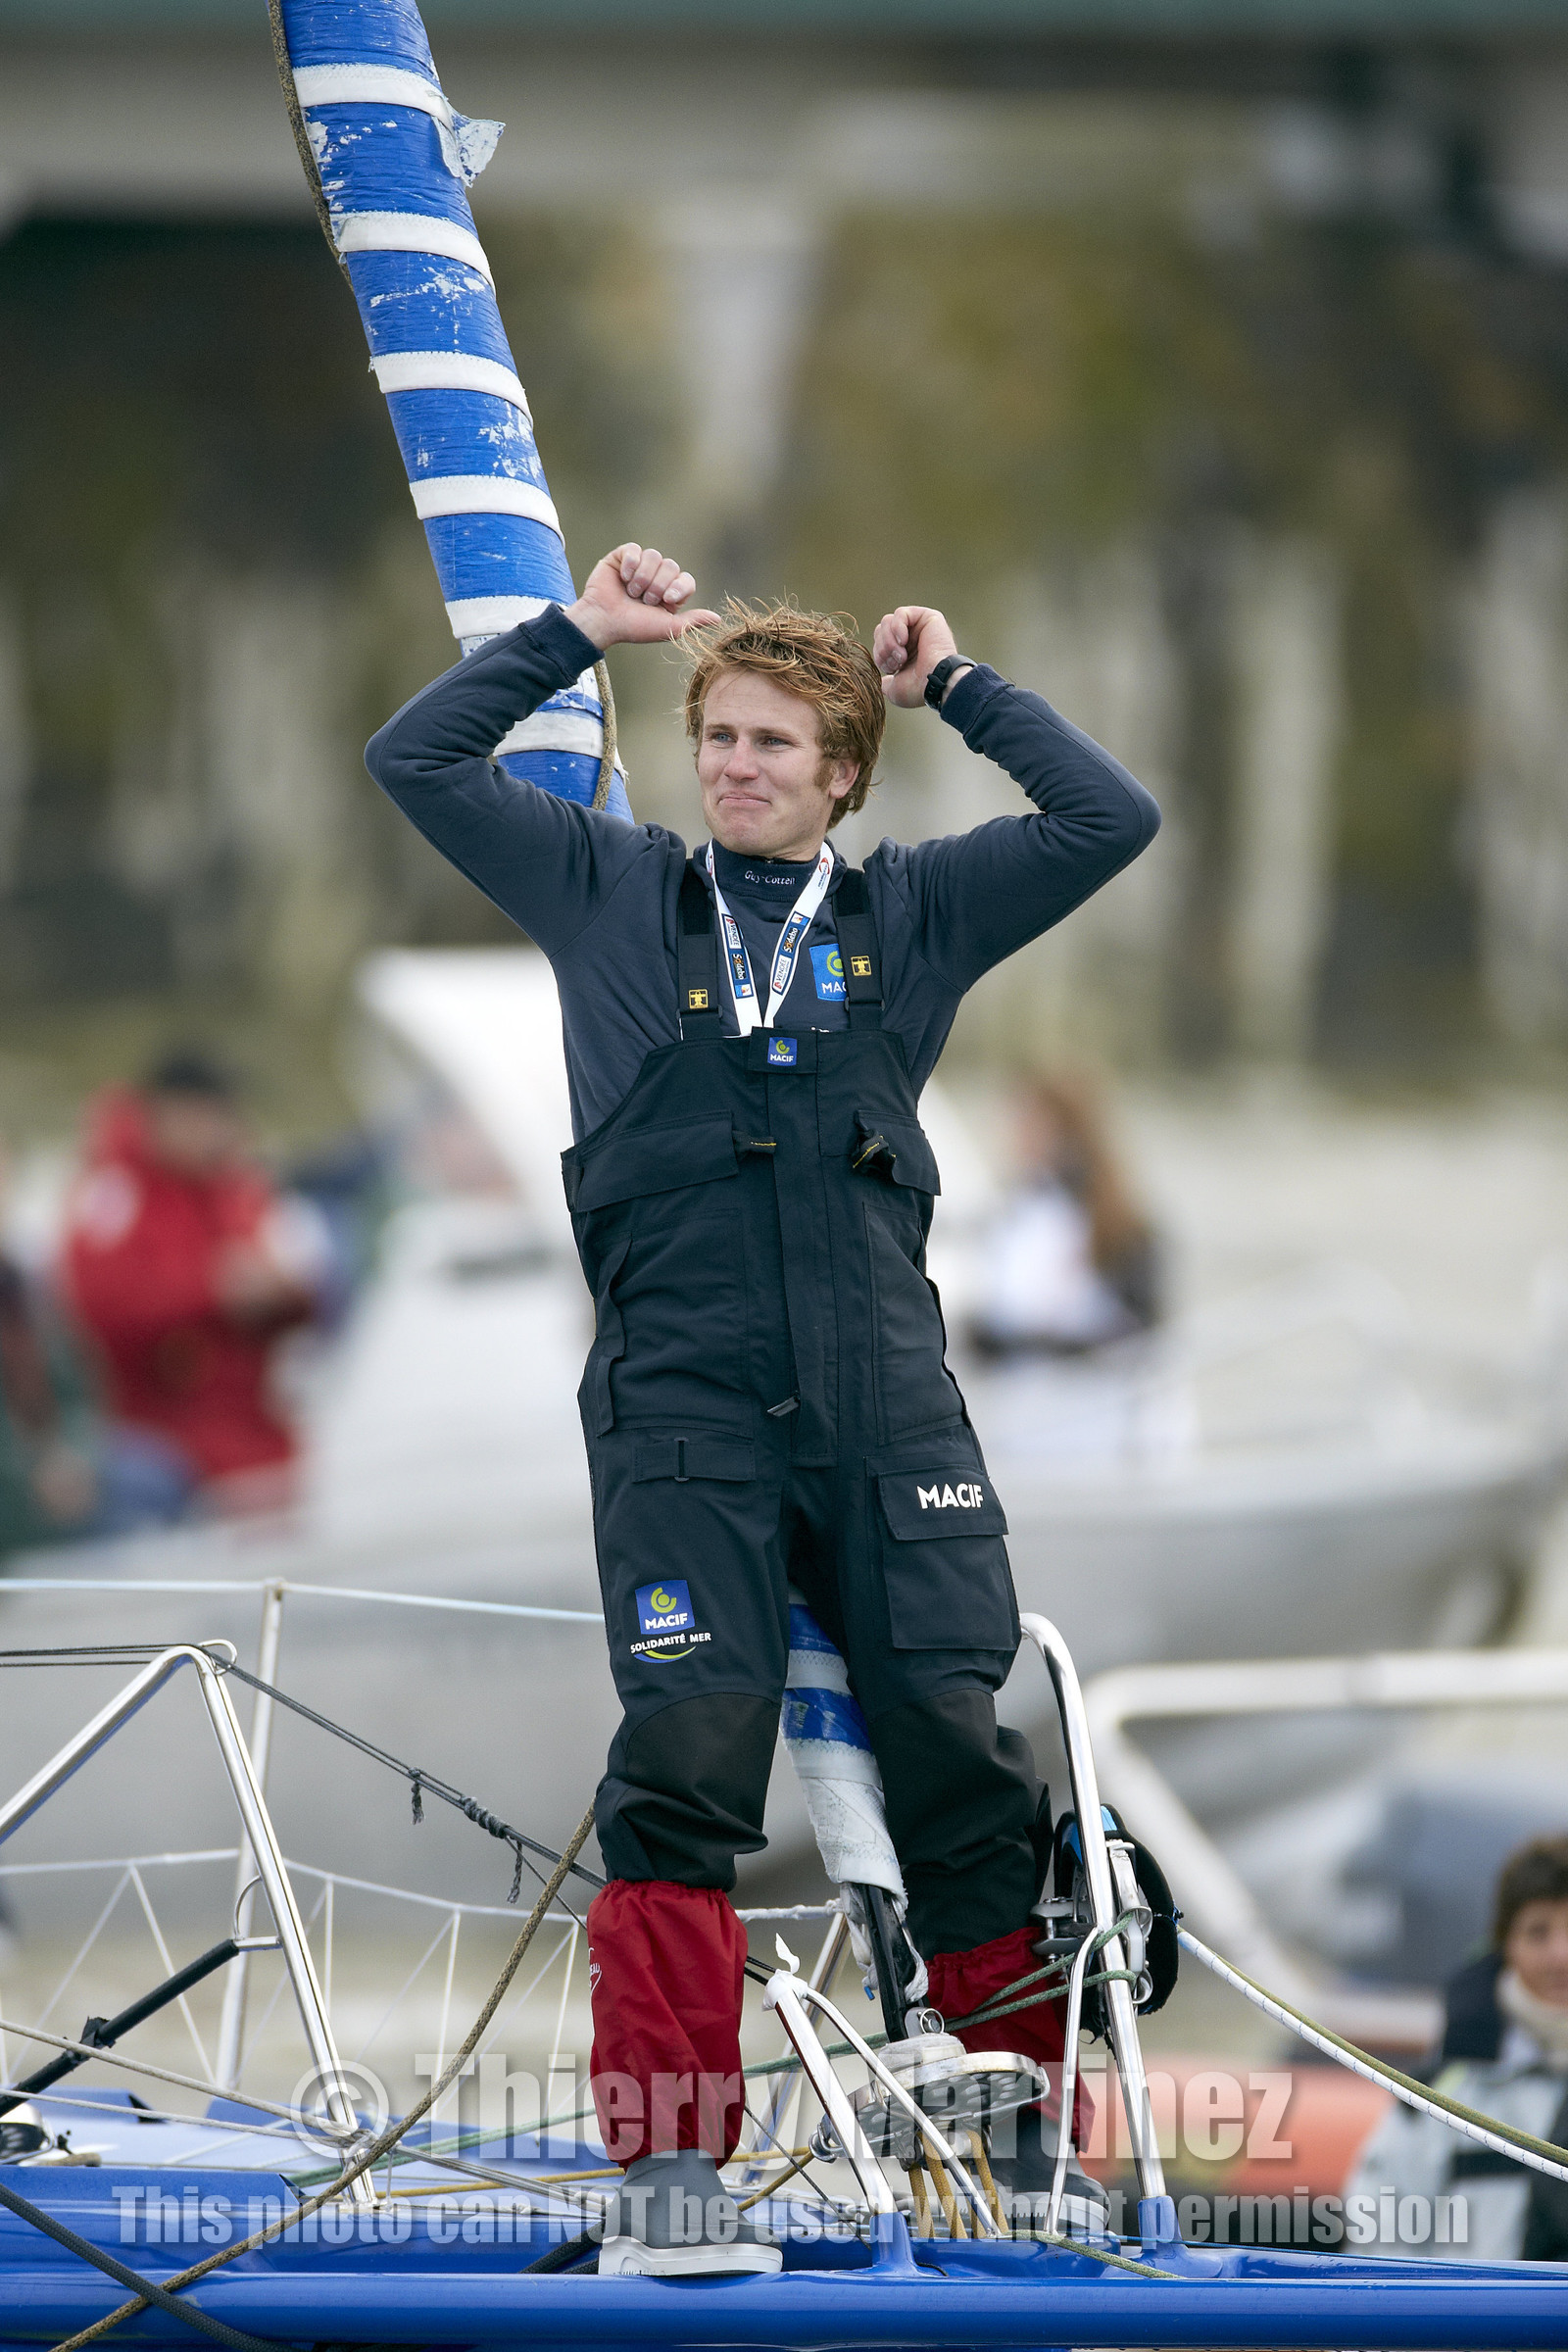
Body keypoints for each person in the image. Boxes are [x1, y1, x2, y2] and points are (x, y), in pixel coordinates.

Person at [366, 544, 1160, 2273]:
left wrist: (963, 684)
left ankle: (1021, 2141)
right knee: (686, 1766)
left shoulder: (921, 916)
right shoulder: (603, 887)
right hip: (686, 1418)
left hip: (891, 1415)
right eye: (716, 735)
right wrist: (572, 633)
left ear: (842, 775)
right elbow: (413, 763)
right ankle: (669, 2171)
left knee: (964, 1759)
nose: (735, 764)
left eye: (775, 744)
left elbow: (1113, 821)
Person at [61, 1052, 321, 1509]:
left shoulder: (238, 1186)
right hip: (160, 1433)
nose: (220, 1130)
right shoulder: (113, 1193)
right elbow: (96, 1309)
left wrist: (280, 1296)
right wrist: (212, 1293)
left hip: (251, 1428)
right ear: (162, 1115)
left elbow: (300, 1289)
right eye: (206, 1116)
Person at [1346, 1834, 1568, 2261]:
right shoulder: (1436, 2101)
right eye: (1538, 1932)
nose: (1560, 1955)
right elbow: (1380, 2252)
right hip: (1469, 2329)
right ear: (1506, 1945)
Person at [969, 1073, 1160, 1359]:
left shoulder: (1117, 1221)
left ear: (1067, 1131)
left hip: (1095, 1392)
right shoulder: (1018, 1208)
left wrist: (1040, 1343)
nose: (1017, 1135)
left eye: (1032, 1123)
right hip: (1023, 1391)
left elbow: (1144, 1327)